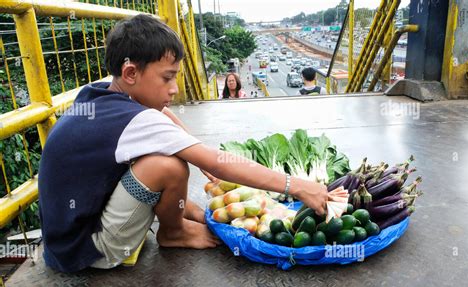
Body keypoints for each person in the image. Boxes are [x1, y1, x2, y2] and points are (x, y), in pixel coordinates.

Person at [38, 14, 329, 273]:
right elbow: (215, 161)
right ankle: (173, 232)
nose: (175, 89)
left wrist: (191, 142)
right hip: (89, 251)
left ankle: (185, 214)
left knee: (164, 155)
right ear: (131, 73)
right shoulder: (135, 121)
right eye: (167, 78)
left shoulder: (104, 92)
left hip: (63, 242)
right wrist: (297, 186)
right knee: (170, 167)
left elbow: (160, 113)